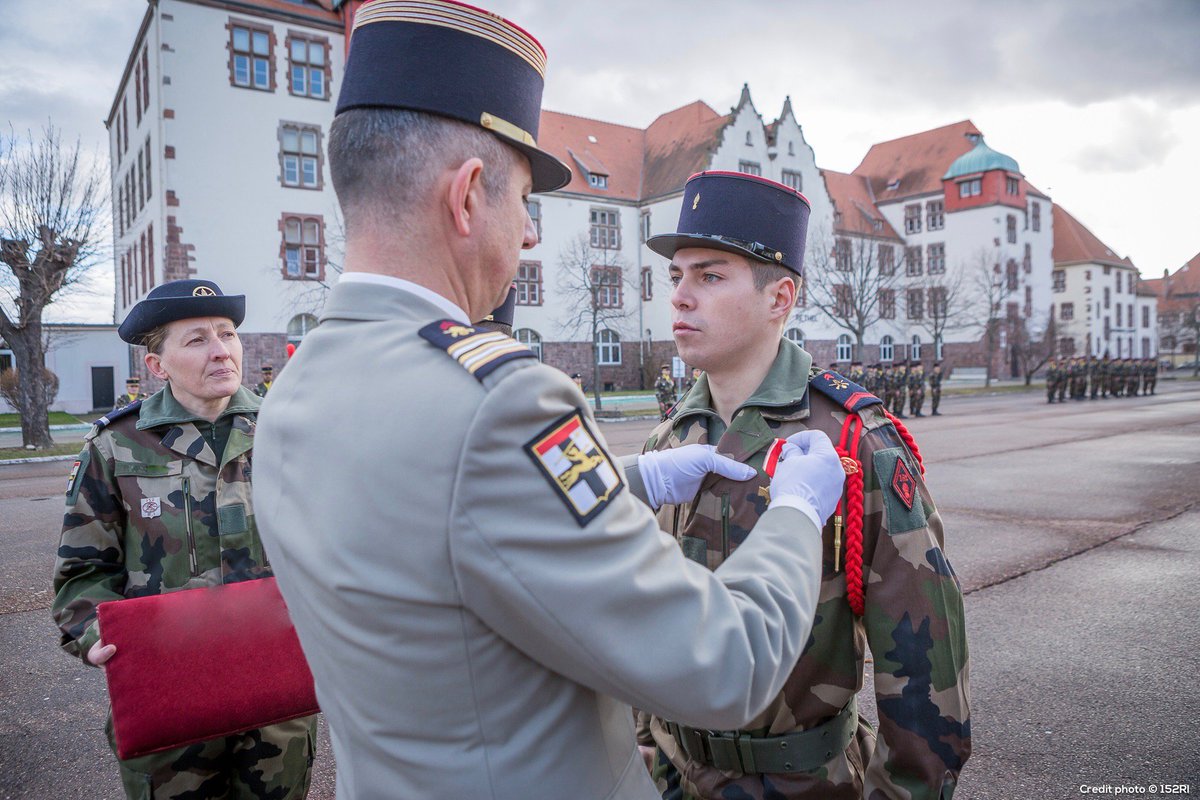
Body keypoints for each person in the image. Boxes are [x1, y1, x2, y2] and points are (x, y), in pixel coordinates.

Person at [251, 4, 846, 798]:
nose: (530, 234)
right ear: (467, 197)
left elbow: (437, 520)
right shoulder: (497, 404)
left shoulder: (295, 386)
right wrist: (797, 513)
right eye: (522, 198)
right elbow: (724, 665)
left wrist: (629, 478)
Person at [638, 171, 971, 800]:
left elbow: (925, 666)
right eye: (676, 276)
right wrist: (647, 748)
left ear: (779, 297)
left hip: (800, 783)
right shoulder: (669, 443)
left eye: (710, 276)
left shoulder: (851, 444)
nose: (681, 296)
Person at [51, 279, 316, 800]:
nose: (221, 350)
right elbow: (82, 572)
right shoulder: (117, 446)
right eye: (196, 340)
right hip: (169, 693)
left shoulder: (289, 430)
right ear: (157, 365)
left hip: (275, 688)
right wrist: (93, 636)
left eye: (226, 334)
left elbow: (335, 548)